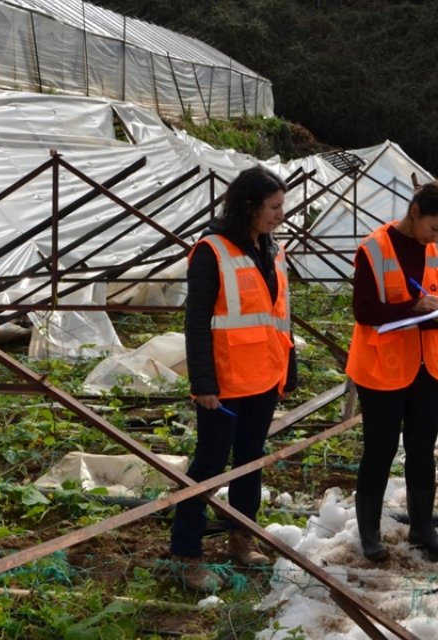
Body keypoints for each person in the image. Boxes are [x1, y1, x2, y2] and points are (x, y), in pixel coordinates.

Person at [169, 165, 298, 592]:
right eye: (274, 207)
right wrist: (202, 382)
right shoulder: (213, 250)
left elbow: (279, 316)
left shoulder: (273, 249)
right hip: (225, 382)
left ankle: (242, 538)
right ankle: (186, 554)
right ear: (248, 206)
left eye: (282, 205)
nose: (282, 213)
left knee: (251, 460)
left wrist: (288, 366)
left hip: (264, 375)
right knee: (208, 464)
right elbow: (196, 322)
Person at [347, 180, 438, 562]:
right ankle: (369, 533)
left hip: (426, 367)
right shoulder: (374, 249)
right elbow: (364, 311)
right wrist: (411, 310)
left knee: (422, 449)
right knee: (379, 449)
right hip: (382, 368)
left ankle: (422, 526)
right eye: (435, 228)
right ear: (415, 212)